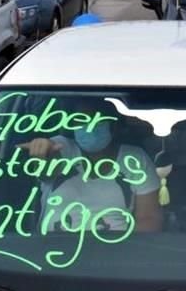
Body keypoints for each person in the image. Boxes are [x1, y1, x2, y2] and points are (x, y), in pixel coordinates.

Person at [18, 99, 163, 233]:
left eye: (97, 120)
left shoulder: (135, 159)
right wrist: (41, 152)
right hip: (52, 252)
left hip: (115, 254)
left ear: (113, 126)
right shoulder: (61, 147)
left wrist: (123, 253)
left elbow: (149, 219)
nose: (89, 127)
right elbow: (45, 170)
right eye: (81, 121)